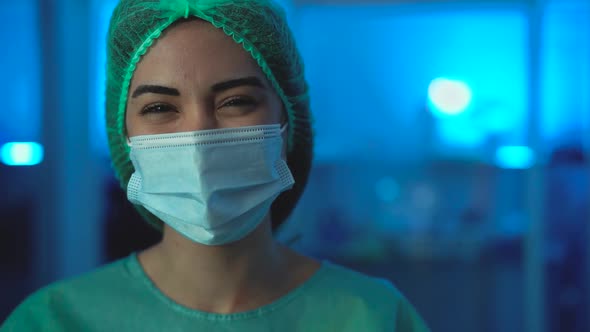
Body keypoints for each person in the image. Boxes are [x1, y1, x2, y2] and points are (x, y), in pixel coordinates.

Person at [1, 0, 429, 331]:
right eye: (160, 107)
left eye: (237, 101)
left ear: (287, 122)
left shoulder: (372, 317)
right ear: (124, 136)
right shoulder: (56, 321)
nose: (199, 135)